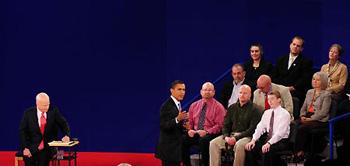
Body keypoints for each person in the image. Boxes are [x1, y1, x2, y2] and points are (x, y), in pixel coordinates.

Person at [209, 85, 261, 166]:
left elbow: (252, 130)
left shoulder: (255, 109)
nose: (242, 95)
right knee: (213, 143)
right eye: (240, 93)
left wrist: (235, 138)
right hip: (231, 135)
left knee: (239, 145)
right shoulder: (232, 107)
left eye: (245, 93)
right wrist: (226, 136)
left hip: (247, 137)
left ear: (250, 95)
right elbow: (225, 125)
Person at [19, 92, 71, 166]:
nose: (47, 107)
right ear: (37, 103)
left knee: (43, 161)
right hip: (32, 146)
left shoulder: (54, 111)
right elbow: (22, 132)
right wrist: (25, 148)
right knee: (29, 161)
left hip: (48, 147)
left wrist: (66, 135)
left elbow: (64, 124)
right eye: (44, 105)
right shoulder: (28, 113)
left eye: (48, 104)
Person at [182, 82, 226, 166]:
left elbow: (220, 125)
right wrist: (190, 130)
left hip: (211, 133)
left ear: (214, 92)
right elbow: (190, 121)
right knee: (183, 140)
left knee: (204, 140)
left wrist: (207, 132)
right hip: (196, 132)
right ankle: (186, 164)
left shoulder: (218, 107)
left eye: (209, 90)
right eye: (205, 90)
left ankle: (205, 164)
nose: (207, 92)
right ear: (201, 92)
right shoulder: (194, 105)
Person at [245, 90, 291, 166]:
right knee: (250, 148)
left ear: (279, 100)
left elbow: (280, 133)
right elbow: (260, 127)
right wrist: (253, 140)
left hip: (281, 141)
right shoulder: (267, 113)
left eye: (272, 99)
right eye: (268, 99)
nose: (270, 101)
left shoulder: (284, 114)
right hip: (268, 138)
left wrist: (269, 143)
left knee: (267, 150)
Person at [294, 72, 332, 159]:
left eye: (318, 80)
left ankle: (299, 152)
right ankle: (295, 149)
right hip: (308, 116)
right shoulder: (309, 92)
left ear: (323, 81)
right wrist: (302, 115)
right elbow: (303, 107)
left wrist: (310, 119)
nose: (314, 81)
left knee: (302, 128)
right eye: (313, 79)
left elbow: (324, 112)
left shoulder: (327, 95)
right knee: (294, 124)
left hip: (320, 120)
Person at [155, 80, 188, 166]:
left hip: (175, 149)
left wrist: (184, 126)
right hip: (168, 150)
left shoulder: (177, 104)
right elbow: (163, 126)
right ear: (172, 90)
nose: (182, 92)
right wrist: (177, 119)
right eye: (179, 89)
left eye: (184, 90)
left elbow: (175, 126)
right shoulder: (166, 106)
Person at [272, 36, 313, 103]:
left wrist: (292, 87)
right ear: (290, 45)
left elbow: (304, 79)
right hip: (280, 89)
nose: (295, 47)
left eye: (298, 46)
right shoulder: (281, 59)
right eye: (294, 44)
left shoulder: (306, 62)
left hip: (295, 90)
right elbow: (275, 75)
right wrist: (280, 87)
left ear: (301, 49)